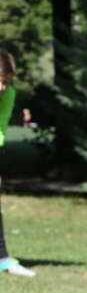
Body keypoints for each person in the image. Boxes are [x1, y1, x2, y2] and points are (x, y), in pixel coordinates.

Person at [0, 48, 36, 278]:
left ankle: (2, 258)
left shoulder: (9, 95)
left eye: (6, 82)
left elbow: (0, 128)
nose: (2, 88)